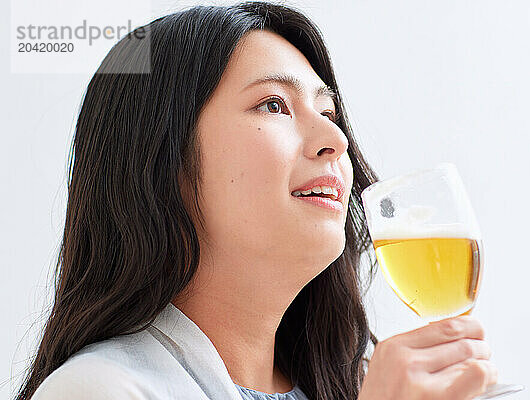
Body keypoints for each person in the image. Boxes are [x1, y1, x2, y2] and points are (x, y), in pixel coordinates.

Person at [15, 2, 497, 399]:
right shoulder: (96, 389)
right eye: (273, 104)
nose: (336, 138)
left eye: (329, 111)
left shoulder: (357, 385)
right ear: (161, 159)